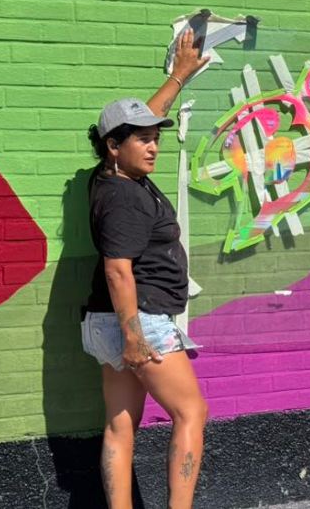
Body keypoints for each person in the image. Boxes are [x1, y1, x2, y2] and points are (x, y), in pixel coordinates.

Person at [81, 29, 211, 509]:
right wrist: (134, 338)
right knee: (191, 412)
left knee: (120, 424)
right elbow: (118, 270)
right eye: (144, 141)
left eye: (156, 138)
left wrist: (179, 75)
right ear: (114, 146)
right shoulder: (126, 198)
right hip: (140, 319)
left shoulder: (108, 176)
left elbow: (137, 122)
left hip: (104, 321)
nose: (154, 147)